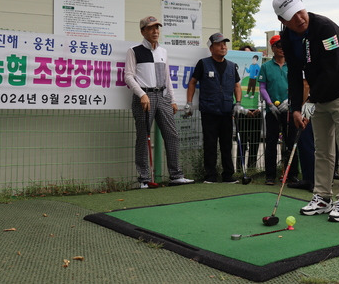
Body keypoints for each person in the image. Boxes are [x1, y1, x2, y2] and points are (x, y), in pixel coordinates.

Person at [273, 0, 339, 222]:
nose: (300, 18)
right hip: (317, 98)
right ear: (282, 21)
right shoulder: (288, 38)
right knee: (322, 149)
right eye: (292, 16)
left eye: (300, 11)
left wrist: (309, 103)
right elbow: (294, 74)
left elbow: (331, 71)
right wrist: (296, 109)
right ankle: (322, 196)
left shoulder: (326, 28)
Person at [125, 16, 194, 189]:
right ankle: (144, 179)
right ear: (143, 31)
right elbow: (128, 76)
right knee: (143, 138)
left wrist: (172, 99)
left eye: (157, 28)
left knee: (172, 135)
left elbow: (167, 78)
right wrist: (141, 94)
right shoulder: (134, 51)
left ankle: (176, 175)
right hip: (144, 98)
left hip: (162, 97)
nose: (155, 31)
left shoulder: (163, 52)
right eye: (150, 28)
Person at [185, 33, 245, 184]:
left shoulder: (231, 66)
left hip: (226, 111)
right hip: (209, 111)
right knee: (210, 144)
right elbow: (192, 82)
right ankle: (210, 176)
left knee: (227, 144)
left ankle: (228, 175)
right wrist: (189, 103)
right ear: (211, 48)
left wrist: (237, 103)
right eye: (219, 44)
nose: (223, 46)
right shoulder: (203, 63)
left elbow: (237, 85)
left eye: (224, 44)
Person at [258, 34, 300, 186]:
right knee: (271, 142)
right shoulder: (266, 66)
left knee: (291, 142)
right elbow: (262, 87)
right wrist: (269, 103)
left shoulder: (293, 64)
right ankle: (270, 176)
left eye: (284, 46)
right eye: (279, 46)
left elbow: (297, 86)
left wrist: (289, 101)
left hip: (289, 110)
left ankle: (292, 175)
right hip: (272, 110)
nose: (282, 49)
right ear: (273, 48)